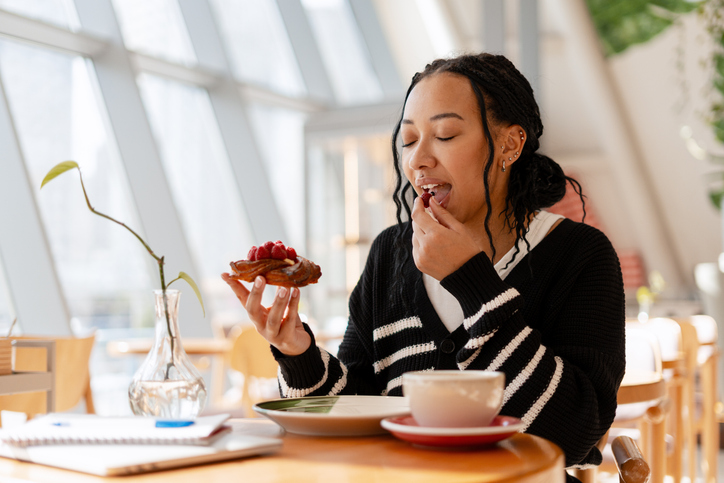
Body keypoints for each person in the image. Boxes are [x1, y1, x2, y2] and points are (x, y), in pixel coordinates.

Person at [222, 53, 625, 477]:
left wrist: (470, 281)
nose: (418, 161)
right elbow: (360, 406)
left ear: (510, 144)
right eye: (409, 140)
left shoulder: (581, 254)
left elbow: (575, 433)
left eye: (446, 134)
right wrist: (297, 352)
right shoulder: (390, 255)